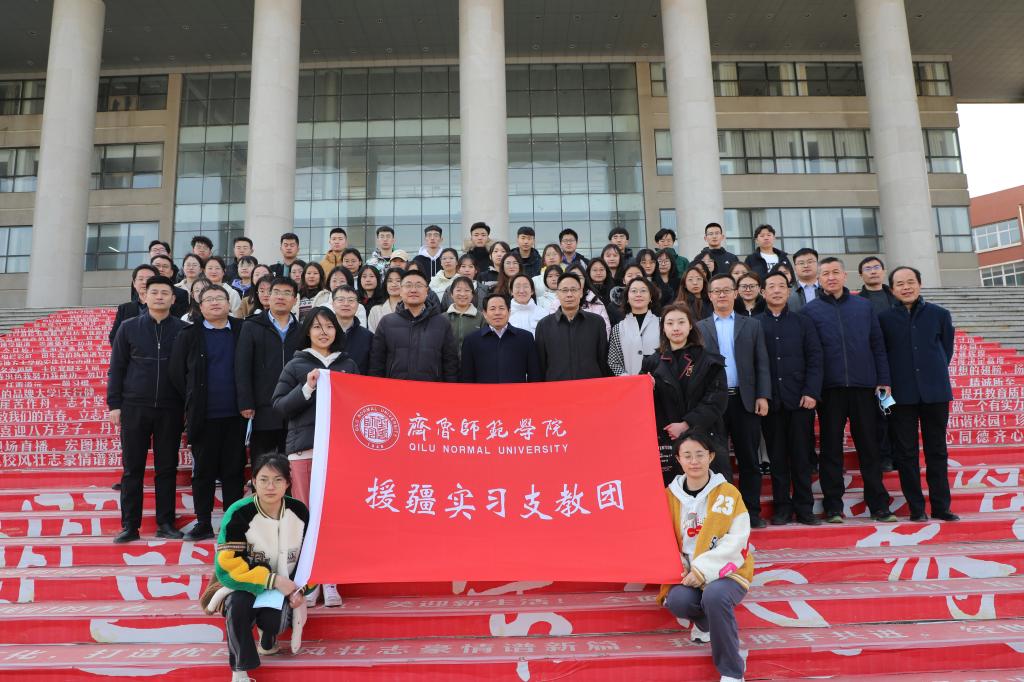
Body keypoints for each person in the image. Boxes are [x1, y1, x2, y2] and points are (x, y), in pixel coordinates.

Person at [272, 307, 358, 609]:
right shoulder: (296, 365)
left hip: (339, 453)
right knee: (307, 517)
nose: (324, 332)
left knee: (334, 517)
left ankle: (330, 579)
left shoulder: (348, 364)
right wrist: (307, 387)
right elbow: (280, 406)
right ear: (307, 331)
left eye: (329, 326)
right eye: (317, 327)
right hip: (304, 451)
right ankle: (310, 581)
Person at [800, 257, 897, 524]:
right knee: (831, 448)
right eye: (825, 274)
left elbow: (877, 345)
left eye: (835, 272)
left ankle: (879, 505)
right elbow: (810, 354)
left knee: (869, 446)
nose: (831, 277)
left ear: (845, 276)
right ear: (819, 279)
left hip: (863, 386)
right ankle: (833, 506)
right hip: (829, 390)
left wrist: (883, 379)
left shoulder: (864, 307)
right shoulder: (810, 311)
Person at [657, 433, 754, 682]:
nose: (694, 461)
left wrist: (702, 570)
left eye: (700, 455)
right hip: (687, 572)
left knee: (714, 596)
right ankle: (706, 624)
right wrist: (682, 568)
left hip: (728, 571)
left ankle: (732, 672)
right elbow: (663, 539)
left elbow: (738, 539)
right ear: (678, 459)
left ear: (710, 457)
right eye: (687, 455)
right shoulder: (669, 497)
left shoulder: (728, 493)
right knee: (677, 601)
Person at [215, 453, 312, 680]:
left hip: (286, 588)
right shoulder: (239, 512)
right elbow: (228, 564)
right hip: (246, 583)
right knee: (237, 605)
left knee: (274, 621)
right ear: (253, 482)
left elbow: (310, 559)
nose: (270, 487)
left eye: (278, 480)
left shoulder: (299, 512)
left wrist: (301, 589)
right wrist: (272, 580)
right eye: (264, 479)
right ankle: (240, 671)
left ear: (288, 483)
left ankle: (268, 638)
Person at [106, 275, 186, 543]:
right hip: (134, 407)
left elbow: (189, 371)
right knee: (133, 469)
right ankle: (130, 525)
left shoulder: (183, 330)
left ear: (173, 299)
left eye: (165, 293)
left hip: (171, 408)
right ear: (144, 296)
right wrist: (114, 404)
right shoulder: (128, 328)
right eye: (155, 292)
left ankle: (166, 522)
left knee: (167, 468)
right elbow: (117, 368)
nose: (160, 297)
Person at [879, 266, 959, 522]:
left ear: (920, 284)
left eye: (910, 282)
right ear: (892, 290)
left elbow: (945, 350)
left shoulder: (939, 314)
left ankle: (941, 506)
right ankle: (916, 508)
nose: (906, 287)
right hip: (900, 395)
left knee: (937, 451)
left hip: (935, 392)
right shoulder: (883, 319)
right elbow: (882, 354)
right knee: (906, 453)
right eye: (900, 284)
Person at [168, 284, 246, 542]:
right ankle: (203, 522)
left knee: (234, 471)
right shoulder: (189, 334)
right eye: (208, 299)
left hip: (237, 415)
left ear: (229, 303)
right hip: (204, 416)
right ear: (199, 307)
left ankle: (232, 524)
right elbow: (177, 373)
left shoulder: (242, 330)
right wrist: (194, 399)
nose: (214, 303)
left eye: (219, 298)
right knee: (203, 471)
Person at [697, 274, 771, 528]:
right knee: (717, 461)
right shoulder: (700, 327)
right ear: (709, 296)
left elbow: (762, 363)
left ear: (735, 293)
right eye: (716, 291)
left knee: (749, 459)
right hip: (714, 404)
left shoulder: (751, 326)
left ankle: (751, 512)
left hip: (744, 400)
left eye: (726, 290)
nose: (721, 295)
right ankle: (723, 516)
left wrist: (762, 395)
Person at [757, 271, 824, 526]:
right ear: (763, 292)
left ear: (788, 291)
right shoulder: (754, 324)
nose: (776, 290)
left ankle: (805, 508)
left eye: (781, 286)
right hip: (771, 403)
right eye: (771, 286)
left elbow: (815, 358)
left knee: (801, 457)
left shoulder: (803, 322)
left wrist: (811, 391)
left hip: (800, 401)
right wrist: (761, 396)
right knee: (777, 458)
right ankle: (782, 508)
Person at [641, 304, 727, 485]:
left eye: (681, 322)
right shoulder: (651, 363)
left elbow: (716, 400)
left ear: (690, 326)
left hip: (704, 434)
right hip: (667, 439)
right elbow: (642, 405)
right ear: (663, 328)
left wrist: (687, 424)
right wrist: (648, 389)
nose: (676, 328)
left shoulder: (709, 360)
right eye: (670, 323)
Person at [235, 277, 303, 462]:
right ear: (268, 296)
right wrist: (245, 402)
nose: (281, 297)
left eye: (287, 293)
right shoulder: (251, 326)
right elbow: (242, 366)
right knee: (262, 462)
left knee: (291, 464)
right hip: (262, 408)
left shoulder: (302, 330)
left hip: (294, 407)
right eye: (276, 292)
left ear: (294, 300)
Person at [369, 269, 460, 381]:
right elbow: (376, 363)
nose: (413, 290)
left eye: (419, 285)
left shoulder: (442, 323)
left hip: (431, 388)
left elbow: (450, 363)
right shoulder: (386, 322)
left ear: (427, 291)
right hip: (395, 388)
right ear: (401, 291)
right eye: (408, 285)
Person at [858, 255, 898, 472]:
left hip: (897, 364)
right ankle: (884, 456)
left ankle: (899, 454)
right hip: (874, 366)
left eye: (876, 267)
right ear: (860, 275)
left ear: (883, 271)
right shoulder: (858, 302)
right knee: (882, 412)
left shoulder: (896, 296)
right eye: (867, 268)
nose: (872, 271)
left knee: (898, 413)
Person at [534, 271, 609, 381]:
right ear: (557, 294)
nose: (569, 294)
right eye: (564, 290)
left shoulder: (597, 322)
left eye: (573, 290)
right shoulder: (544, 326)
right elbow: (541, 364)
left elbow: (603, 360)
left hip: (591, 386)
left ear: (581, 293)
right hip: (557, 388)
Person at [460, 292, 540, 383]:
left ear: (509, 312)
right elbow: (467, 378)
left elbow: (534, 375)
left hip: (517, 392)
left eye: (501, 308)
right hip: (484, 392)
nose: (497, 313)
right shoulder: (471, 341)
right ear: (485, 314)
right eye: (492, 309)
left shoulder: (525, 338)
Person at [609, 276, 661, 376]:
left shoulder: (662, 323)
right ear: (627, 298)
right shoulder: (618, 328)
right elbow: (613, 361)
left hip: (659, 381)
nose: (638, 294)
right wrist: (628, 380)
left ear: (650, 297)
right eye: (634, 291)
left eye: (643, 291)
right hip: (630, 383)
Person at [110, 264, 159, 344]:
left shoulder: (165, 306)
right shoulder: (124, 309)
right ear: (134, 283)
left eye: (149, 279)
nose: (144, 282)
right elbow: (114, 336)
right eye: (140, 279)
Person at [331, 285, 372, 374]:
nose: (346, 304)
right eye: (341, 300)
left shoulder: (368, 336)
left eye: (351, 300)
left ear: (357, 305)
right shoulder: (323, 333)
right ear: (333, 304)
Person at [445, 275, 485, 356]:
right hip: (449, 362)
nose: (462, 294)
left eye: (467, 290)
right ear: (451, 294)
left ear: (472, 295)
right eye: (458, 290)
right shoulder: (443, 318)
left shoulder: (481, 318)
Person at [368, 267, 403, 332]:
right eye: (390, 281)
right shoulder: (375, 310)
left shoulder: (412, 308)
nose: (394, 284)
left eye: (398, 281)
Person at [787, 248, 821, 313]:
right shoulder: (788, 292)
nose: (806, 266)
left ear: (818, 265)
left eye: (810, 262)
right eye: (801, 263)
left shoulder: (827, 289)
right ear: (795, 268)